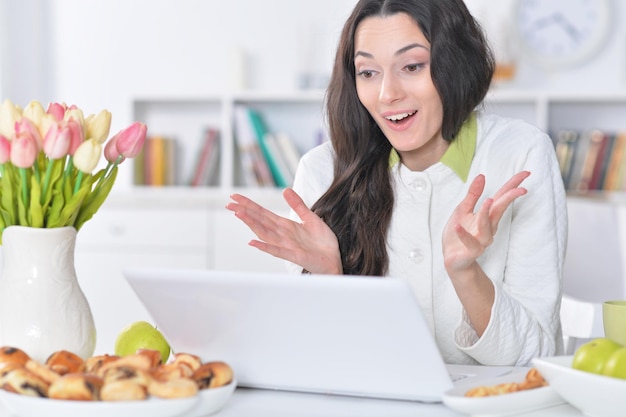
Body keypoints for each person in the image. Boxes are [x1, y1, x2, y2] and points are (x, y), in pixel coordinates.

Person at [226, 0, 567, 367]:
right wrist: (330, 277)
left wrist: (466, 273)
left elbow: (534, 357)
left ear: (455, 65)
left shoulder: (520, 154)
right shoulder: (324, 171)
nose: (388, 94)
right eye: (368, 72)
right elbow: (322, 359)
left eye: (412, 66)